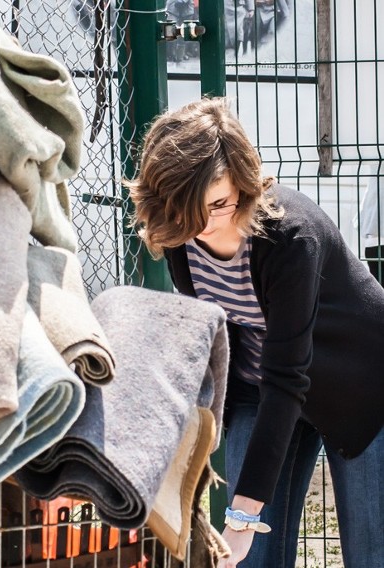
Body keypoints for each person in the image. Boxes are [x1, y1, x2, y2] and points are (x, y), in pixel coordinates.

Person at [123, 97, 384, 568]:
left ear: (245, 184)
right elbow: (215, 343)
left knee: (370, 554)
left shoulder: (290, 238)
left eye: (221, 202)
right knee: (248, 560)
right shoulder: (183, 234)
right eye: (191, 210)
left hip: (360, 388)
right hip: (262, 388)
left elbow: (289, 377)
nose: (208, 224)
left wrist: (242, 517)